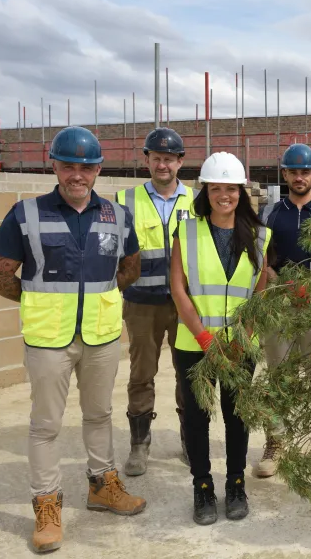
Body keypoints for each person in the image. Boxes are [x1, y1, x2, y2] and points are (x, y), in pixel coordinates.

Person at [0, 126, 146, 553]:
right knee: (45, 426)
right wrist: (39, 301)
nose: (78, 174)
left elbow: (130, 268)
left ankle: (103, 487)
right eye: (69, 166)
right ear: (53, 166)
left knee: (99, 415)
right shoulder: (26, 214)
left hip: (101, 337)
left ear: (98, 170)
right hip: (48, 341)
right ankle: (46, 505)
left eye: (86, 167)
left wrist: (99, 299)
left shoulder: (116, 215)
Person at [170, 151, 272, 525]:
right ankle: (202, 488)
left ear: (241, 192)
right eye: (216, 188)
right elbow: (178, 289)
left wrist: (243, 339)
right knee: (197, 419)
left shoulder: (260, 235)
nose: (223, 196)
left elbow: (260, 293)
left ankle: (235, 484)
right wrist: (204, 339)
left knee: (236, 417)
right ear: (206, 191)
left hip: (240, 347)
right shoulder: (186, 231)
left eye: (231, 189)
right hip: (194, 345)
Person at [253, 143, 311, 478]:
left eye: (305, 171)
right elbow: (260, 256)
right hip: (279, 306)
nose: (299, 177)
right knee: (279, 377)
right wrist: (278, 280)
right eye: (293, 171)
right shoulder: (269, 213)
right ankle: (276, 443)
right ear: (285, 174)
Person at [115, 128, 197, 476]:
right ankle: (139, 444)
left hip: (186, 304)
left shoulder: (196, 200)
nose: (163, 165)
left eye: (169, 159)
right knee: (141, 374)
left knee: (189, 373)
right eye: (157, 158)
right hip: (141, 303)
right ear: (147, 159)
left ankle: (191, 439)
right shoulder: (124, 200)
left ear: (180, 162)